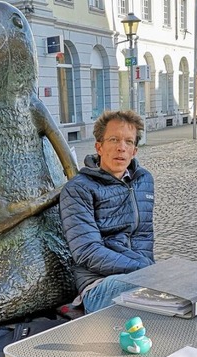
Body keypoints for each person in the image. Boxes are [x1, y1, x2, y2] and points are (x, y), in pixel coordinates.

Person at [60, 110, 155, 314]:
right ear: (99, 147)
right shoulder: (79, 188)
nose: (121, 148)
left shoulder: (144, 180)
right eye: (114, 139)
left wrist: (149, 271)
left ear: (134, 151)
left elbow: (144, 235)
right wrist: (144, 271)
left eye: (128, 142)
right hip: (98, 285)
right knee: (163, 292)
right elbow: (87, 251)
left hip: (140, 275)